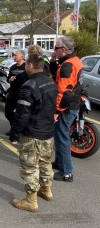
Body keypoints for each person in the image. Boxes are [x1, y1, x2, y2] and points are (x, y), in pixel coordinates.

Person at [9, 53, 57, 212]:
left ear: (30, 66)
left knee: (30, 167)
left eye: (26, 65)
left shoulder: (29, 86)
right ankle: (47, 191)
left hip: (32, 133)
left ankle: (31, 201)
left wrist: (14, 132)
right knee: (45, 163)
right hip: (48, 132)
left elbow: (22, 114)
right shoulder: (51, 82)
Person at [50, 37, 83, 182]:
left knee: (62, 138)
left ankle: (66, 172)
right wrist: (52, 62)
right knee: (59, 136)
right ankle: (59, 163)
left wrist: (57, 111)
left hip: (67, 107)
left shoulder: (67, 66)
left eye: (56, 48)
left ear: (63, 50)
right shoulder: (74, 60)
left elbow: (65, 92)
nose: (54, 50)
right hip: (72, 104)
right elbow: (57, 76)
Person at [4, 50, 27, 135]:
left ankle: (19, 131)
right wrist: (10, 79)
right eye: (14, 55)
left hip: (23, 94)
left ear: (21, 56)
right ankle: (14, 128)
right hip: (13, 92)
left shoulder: (26, 66)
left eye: (16, 55)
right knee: (8, 112)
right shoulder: (13, 67)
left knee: (21, 113)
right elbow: (8, 78)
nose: (14, 57)